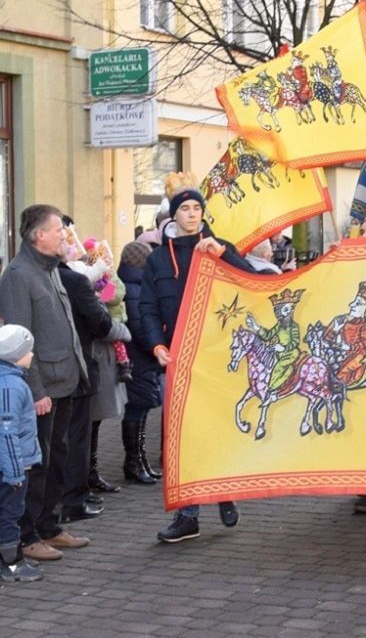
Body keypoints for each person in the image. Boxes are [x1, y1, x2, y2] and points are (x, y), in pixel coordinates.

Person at [141, 176, 260, 543]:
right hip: (178, 356)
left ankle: (223, 493)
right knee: (182, 433)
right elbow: (146, 307)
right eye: (185, 209)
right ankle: (188, 515)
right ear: (173, 216)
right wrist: (156, 344)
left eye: (197, 208)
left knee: (217, 428)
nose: (192, 215)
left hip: (218, 353)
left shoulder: (218, 246)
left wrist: (224, 254)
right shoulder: (159, 258)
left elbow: (254, 281)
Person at [0, 204, 91, 562]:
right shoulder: (19, 275)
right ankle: (27, 536)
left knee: (58, 459)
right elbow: (20, 340)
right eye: (58, 229)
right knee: (36, 465)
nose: (65, 234)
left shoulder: (50, 269)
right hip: (42, 388)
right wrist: (36, 391)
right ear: (38, 236)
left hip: (65, 380)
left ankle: (50, 526)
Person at [58, 248, 130, 523]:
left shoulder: (42, 274)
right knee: (77, 434)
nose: (69, 242)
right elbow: (100, 321)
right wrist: (121, 331)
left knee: (75, 432)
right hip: (81, 363)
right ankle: (73, 499)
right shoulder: (73, 279)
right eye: (63, 235)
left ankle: (77, 488)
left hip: (65, 366)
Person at [0, 324, 43, 582]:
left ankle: (7, 558)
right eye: (29, 350)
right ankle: (12, 563)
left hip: (11, 464)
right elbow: (7, 434)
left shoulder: (9, 381)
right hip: (13, 467)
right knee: (10, 513)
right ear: (17, 355)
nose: (33, 355)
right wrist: (15, 472)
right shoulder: (9, 388)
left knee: (7, 510)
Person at [116, 240, 164, 485]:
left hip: (139, 358)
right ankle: (134, 462)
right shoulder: (133, 289)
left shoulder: (130, 284)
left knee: (141, 409)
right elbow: (140, 327)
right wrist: (158, 343)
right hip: (139, 359)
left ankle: (139, 459)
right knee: (137, 409)